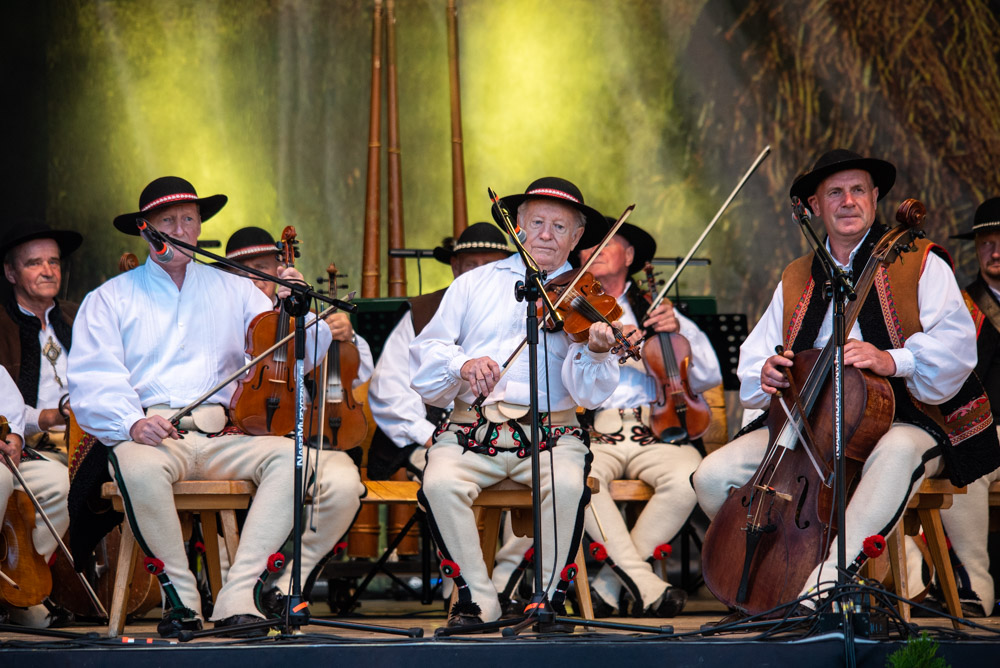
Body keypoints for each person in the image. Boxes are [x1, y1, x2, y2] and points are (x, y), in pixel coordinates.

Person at [692, 149, 999, 614]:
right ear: (815, 206)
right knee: (712, 478)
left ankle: (825, 585)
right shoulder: (796, 275)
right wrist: (768, 371)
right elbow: (759, 352)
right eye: (835, 192)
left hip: (903, 416)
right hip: (810, 423)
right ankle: (788, 573)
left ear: (875, 198)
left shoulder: (919, 260)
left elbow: (957, 347)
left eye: (858, 190)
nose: (848, 201)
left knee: (896, 453)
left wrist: (892, 359)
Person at [68, 176, 332, 637]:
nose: (181, 228)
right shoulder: (110, 297)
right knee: (135, 465)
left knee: (297, 459)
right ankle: (182, 600)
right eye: (167, 220)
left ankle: (239, 593)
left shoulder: (237, 290)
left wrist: (296, 308)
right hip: (155, 434)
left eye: (189, 219)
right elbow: (94, 378)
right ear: (146, 230)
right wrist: (132, 422)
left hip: (223, 435)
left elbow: (304, 349)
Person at [410, 176, 626, 629]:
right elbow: (427, 354)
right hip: (473, 431)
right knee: (439, 483)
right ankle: (479, 597)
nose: (547, 234)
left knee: (567, 484)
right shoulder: (475, 284)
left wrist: (598, 349)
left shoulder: (585, 299)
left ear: (577, 236)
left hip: (553, 436)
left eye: (560, 226)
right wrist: (462, 364)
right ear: (519, 227)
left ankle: (547, 596)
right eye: (538, 222)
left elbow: (588, 393)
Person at [577, 220, 722, 618]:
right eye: (590, 244)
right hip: (594, 432)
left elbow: (709, 374)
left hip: (654, 431)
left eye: (610, 243)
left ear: (629, 257)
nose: (597, 249)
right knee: (576, 474)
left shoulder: (657, 310)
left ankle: (609, 583)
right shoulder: (568, 309)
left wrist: (675, 336)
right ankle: (643, 582)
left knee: (690, 475)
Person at [220, 226, 370, 609]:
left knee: (344, 486)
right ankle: (226, 585)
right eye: (248, 271)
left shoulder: (296, 310)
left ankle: (290, 582)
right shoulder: (216, 313)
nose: (259, 279)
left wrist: (342, 336)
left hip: (298, 439)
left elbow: (358, 373)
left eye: (266, 268)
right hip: (235, 437)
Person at [368, 222, 512, 481]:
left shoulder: (520, 315)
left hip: (497, 441)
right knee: (447, 479)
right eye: (471, 265)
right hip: (426, 441)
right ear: (456, 267)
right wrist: (432, 437)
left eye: (489, 266)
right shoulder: (422, 313)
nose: (480, 274)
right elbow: (389, 390)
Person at [935, 197, 1000, 616]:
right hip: (984, 429)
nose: (995, 253)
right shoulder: (958, 308)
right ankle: (976, 585)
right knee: (970, 459)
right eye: (986, 243)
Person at [0, 222, 83, 459]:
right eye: (34, 263)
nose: (48, 271)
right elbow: (3, 405)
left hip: (88, 439)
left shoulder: (82, 316)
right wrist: (51, 416)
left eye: (53, 262)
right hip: (32, 446)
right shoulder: (3, 327)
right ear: (10, 272)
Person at [0, 364, 71, 628]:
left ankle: (18, 587)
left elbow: (11, 411)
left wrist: (15, 437)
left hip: (6, 458)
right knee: (1, 478)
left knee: (60, 486)